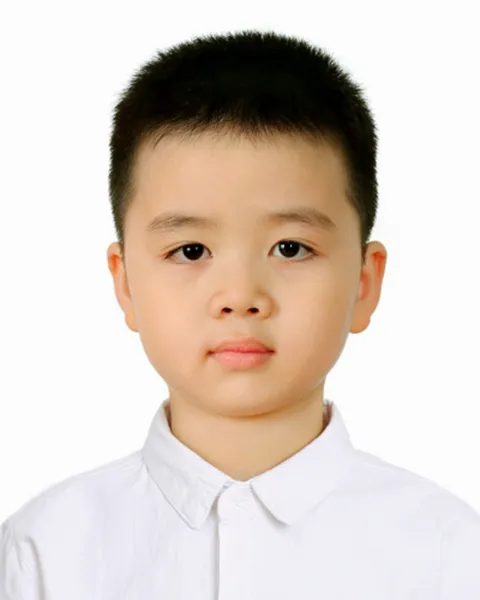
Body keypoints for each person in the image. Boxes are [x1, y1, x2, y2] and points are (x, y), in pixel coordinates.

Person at [1, 29, 479, 600]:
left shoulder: (448, 554)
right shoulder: (42, 554)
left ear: (364, 282)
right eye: (190, 251)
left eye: (290, 248)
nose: (240, 296)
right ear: (125, 283)